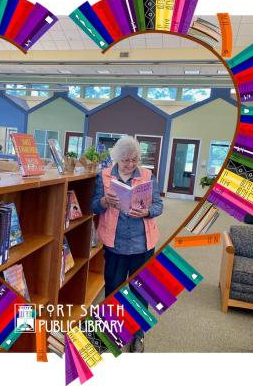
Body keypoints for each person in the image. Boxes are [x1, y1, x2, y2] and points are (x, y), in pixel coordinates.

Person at [91, 136, 163, 352]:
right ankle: (111, 331)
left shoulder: (148, 175)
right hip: (115, 244)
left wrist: (147, 211)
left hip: (143, 244)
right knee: (113, 289)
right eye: (125, 161)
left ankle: (137, 335)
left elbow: (159, 205)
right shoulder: (103, 176)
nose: (130, 165)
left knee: (140, 292)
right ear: (116, 159)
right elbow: (94, 206)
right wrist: (104, 202)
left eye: (134, 160)